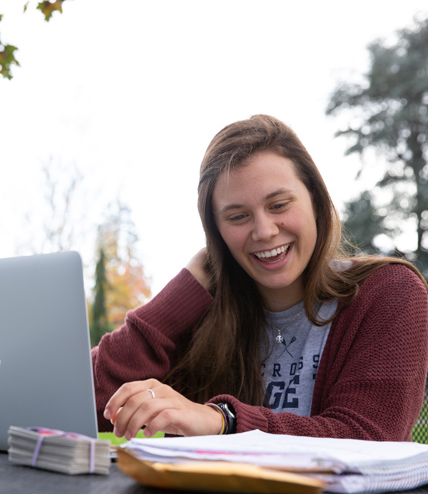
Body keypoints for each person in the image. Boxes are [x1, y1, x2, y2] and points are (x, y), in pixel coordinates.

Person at [92, 114, 428, 442]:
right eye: (237, 216)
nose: (265, 231)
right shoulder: (204, 322)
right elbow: (83, 402)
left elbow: (366, 438)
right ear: (216, 232)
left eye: (279, 205)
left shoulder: (390, 293)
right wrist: (184, 290)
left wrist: (223, 421)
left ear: (315, 199)